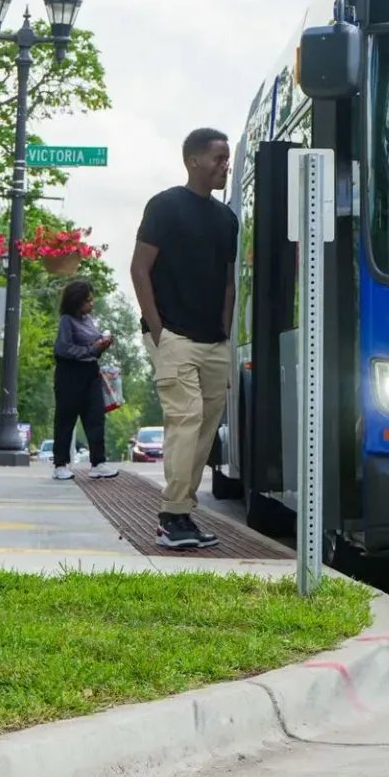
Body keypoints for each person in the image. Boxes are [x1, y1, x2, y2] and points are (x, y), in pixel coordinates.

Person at [131, 127, 238, 551]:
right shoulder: (165, 207)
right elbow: (140, 269)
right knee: (186, 418)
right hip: (174, 336)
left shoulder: (226, 218)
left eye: (227, 158)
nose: (224, 165)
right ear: (193, 160)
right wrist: (159, 330)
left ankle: (181, 513)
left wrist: (226, 332)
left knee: (205, 430)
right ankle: (171, 515)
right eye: (218, 158)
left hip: (214, 342)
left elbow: (229, 283)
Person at [51, 280, 118, 482]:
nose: (91, 304)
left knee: (96, 417)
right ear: (76, 301)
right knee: (66, 418)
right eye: (87, 301)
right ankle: (60, 464)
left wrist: (103, 344)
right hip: (70, 374)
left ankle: (98, 463)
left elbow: (93, 345)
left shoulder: (89, 319)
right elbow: (63, 349)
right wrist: (90, 349)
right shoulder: (67, 321)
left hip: (91, 372)